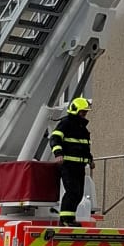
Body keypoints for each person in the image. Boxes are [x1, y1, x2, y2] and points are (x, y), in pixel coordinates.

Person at [49, 95, 93, 224]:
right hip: (68, 165)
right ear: (75, 110)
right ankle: (65, 219)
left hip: (80, 166)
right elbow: (55, 139)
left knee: (78, 194)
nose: (84, 114)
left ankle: (70, 218)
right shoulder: (66, 123)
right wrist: (58, 154)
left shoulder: (83, 128)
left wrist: (90, 159)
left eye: (85, 112)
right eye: (82, 112)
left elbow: (85, 147)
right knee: (72, 191)